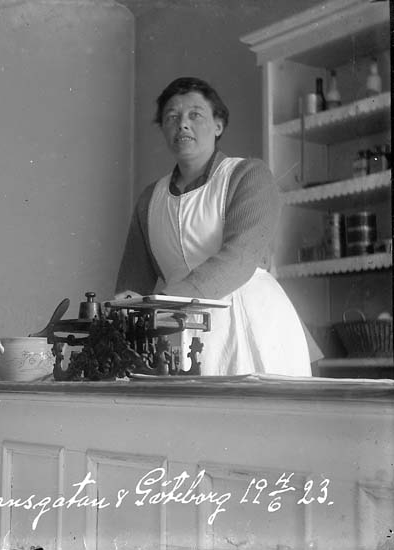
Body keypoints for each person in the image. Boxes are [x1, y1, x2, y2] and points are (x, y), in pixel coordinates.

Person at [116, 76, 313, 376]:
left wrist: (164, 304)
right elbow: (132, 284)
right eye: (172, 117)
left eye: (195, 115)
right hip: (176, 327)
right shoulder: (149, 200)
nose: (183, 124)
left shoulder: (248, 175)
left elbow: (239, 258)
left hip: (247, 320)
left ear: (218, 125)